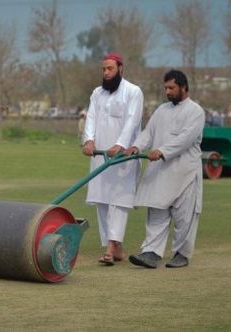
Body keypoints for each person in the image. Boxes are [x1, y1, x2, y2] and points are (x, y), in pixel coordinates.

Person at [124, 69, 205, 268]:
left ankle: (181, 254)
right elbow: (148, 133)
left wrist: (161, 151)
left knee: (184, 217)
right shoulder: (162, 110)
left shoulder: (195, 111)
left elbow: (184, 139)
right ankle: (151, 253)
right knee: (157, 212)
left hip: (185, 172)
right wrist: (136, 147)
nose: (167, 91)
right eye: (165, 88)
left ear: (184, 87)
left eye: (171, 88)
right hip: (161, 172)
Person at [82, 52, 144, 266]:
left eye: (110, 69)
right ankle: (115, 248)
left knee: (118, 201)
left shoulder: (133, 92)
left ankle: (110, 246)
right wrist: (88, 141)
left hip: (122, 158)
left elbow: (132, 121)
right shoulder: (97, 93)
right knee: (101, 200)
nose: (106, 73)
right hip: (100, 156)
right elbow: (90, 118)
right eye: (103, 69)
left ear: (120, 68)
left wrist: (121, 144)